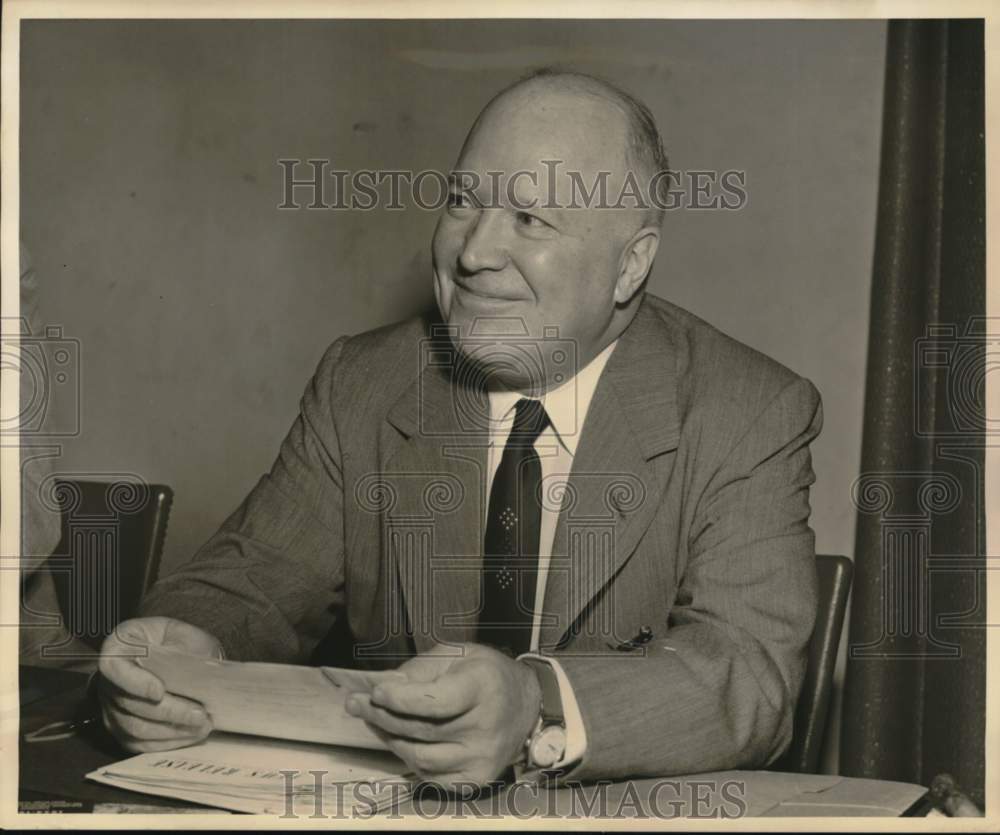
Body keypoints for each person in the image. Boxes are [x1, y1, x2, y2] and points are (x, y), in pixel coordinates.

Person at [97, 69, 822, 787]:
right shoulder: (365, 383)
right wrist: (183, 649)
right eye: (461, 201)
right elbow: (251, 581)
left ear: (629, 266)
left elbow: (747, 673)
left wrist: (538, 705)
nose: (473, 253)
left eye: (530, 220)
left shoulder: (745, 409)